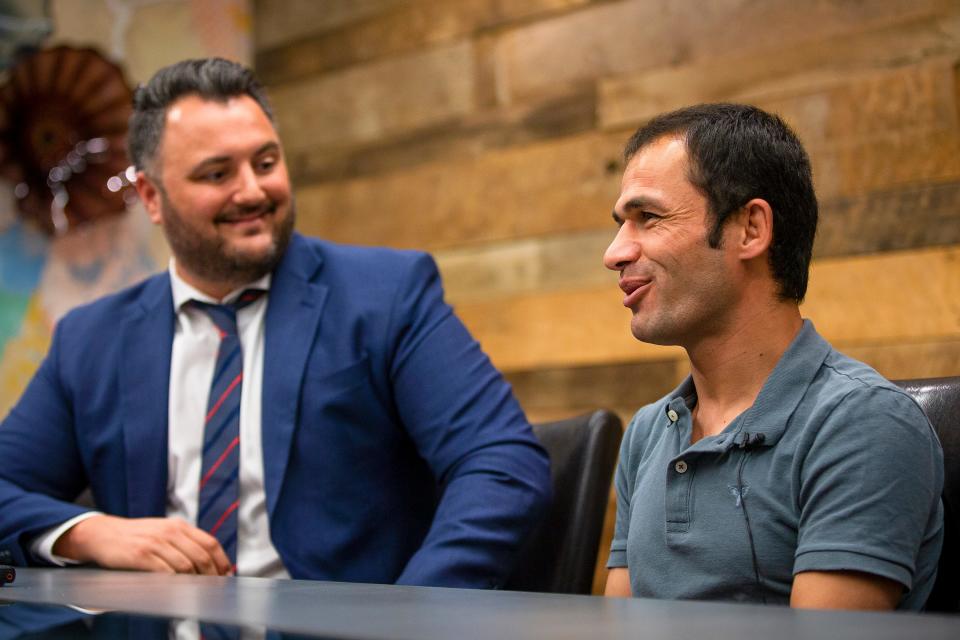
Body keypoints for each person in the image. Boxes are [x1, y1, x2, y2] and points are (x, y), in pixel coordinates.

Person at [0, 58, 551, 588]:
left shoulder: (387, 295)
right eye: (217, 173)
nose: (253, 191)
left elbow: (501, 462)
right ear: (151, 196)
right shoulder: (91, 340)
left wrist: (412, 616)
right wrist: (88, 533)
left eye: (265, 163)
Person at [601, 103, 943, 609]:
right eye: (621, 224)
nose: (614, 253)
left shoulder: (863, 423)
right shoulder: (649, 432)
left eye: (648, 217)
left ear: (751, 229)